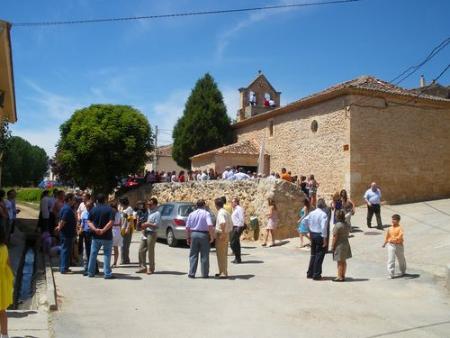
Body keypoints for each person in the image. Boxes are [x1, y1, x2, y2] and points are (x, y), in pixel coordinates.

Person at [87, 194, 115, 279]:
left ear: (97, 201)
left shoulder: (93, 210)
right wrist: (103, 230)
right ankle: (107, 274)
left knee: (93, 254)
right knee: (107, 254)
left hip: (96, 236)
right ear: (105, 200)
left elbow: (88, 221)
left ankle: (91, 273)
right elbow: (111, 222)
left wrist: (95, 229)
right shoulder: (110, 210)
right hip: (107, 236)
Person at [186, 199, 215, 278]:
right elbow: (210, 225)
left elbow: (188, 227)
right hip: (204, 235)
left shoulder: (191, 214)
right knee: (204, 255)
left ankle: (191, 273)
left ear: (196, 205)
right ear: (204, 205)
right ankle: (205, 274)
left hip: (194, 234)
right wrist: (212, 236)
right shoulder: (206, 214)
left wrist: (188, 237)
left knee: (193, 255)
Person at [305, 198, 328, 280]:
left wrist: (308, 230)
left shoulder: (312, 213)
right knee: (319, 255)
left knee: (313, 254)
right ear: (324, 205)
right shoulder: (323, 214)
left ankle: (310, 273)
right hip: (319, 235)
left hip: (312, 234)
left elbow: (305, 220)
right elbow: (323, 228)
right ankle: (316, 274)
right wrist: (325, 239)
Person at [137, 198, 161, 274]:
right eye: (148, 204)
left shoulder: (157, 213)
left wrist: (147, 224)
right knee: (141, 250)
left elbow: (157, 225)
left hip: (152, 233)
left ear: (155, 204)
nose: (148, 206)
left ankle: (151, 268)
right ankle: (143, 267)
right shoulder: (148, 212)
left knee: (150, 251)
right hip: (145, 232)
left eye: (150, 204)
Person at [55, 193, 77, 274]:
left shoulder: (65, 208)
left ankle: (65, 267)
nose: (74, 201)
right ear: (69, 200)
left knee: (67, 251)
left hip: (67, 233)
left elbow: (60, 219)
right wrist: (59, 227)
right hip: (66, 234)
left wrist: (59, 227)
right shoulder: (67, 209)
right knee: (65, 250)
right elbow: (63, 220)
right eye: (73, 199)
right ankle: (63, 268)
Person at [382, 214, 406, 279]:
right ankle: (391, 274)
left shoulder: (400, 228)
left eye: (394, 219)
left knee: (401, 259)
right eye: (392, 219)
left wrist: (395, 239)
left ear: (398, 221)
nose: (393, 221)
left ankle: (403, 271)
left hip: (399, 245)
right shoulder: (390, 228)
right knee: (391, 259)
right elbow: (387, 237)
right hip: (391, 245)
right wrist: (384, 243)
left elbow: (400, 236)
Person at [214, 197, 233, 279]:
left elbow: (222, 223)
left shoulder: (221, 213)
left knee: (221, 254)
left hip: (221, 234)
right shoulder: (226, 212)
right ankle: (223, 271)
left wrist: (223, 234)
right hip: (226, 233)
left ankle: (223, 273)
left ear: (216, 205)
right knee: (223, 254)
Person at [331, 210, 352, 282]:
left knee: (339, 261)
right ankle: (343, 275)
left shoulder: (337, 225)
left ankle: (339, 276)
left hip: (339, 245)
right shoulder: (347, 224)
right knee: (344, 261)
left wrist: (332, 246)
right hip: (346, 243)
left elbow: (335, 237)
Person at [0, 227, 14, 338]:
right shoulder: (4, 248)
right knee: (2, 310)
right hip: (2, 282)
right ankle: (4, 335)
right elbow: (8, 264)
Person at [80, 201, 98, 275]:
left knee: (93, 252)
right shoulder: (84, 213)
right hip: (86, 233)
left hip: (93, 233)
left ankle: (94, 268)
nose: (88, 208)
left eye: (90, 207)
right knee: (87, 252)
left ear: (93, 206)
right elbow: (82, 222)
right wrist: (80, 229)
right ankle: (88, 268)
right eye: (87, 206)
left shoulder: (95, 214)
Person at [230, 197, 245, 264]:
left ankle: (237, 257)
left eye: (232, 202)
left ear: (236, 202)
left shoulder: (239, 209)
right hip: (234, 227)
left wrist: (239, 227)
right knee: (236, 243)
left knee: (233, 243)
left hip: (237, 227)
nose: (231, 203)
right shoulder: (235, 209)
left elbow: (241, 218)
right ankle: (237, 258)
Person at [119, 197, 134, 265]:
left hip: (127, 229)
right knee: (123, 245)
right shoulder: (123, 209)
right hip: (122, 228)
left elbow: (130, 219)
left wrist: (127, 228)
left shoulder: (129, 209)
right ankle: (126, 259)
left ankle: (124, 260)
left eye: (120, 202)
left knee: (125, 245)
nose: (120, 204)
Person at [110, 203, 122, 268]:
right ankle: (114, 262)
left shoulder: (115, 214)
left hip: (115, 230)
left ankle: (115, 262)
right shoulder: (119, 214)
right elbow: (120, 223)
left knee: (115, 248)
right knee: (114, 248)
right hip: (116, 230)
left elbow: (120, 223)